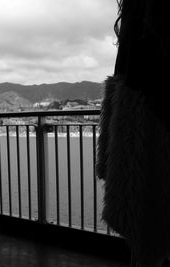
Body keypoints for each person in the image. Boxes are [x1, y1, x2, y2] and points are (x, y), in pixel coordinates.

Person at [97, 0, 170, 266]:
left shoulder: (134, 12)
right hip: (149, 122)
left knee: (144, 240)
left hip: (138, 129)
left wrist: (109, 154)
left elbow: (124, 76)